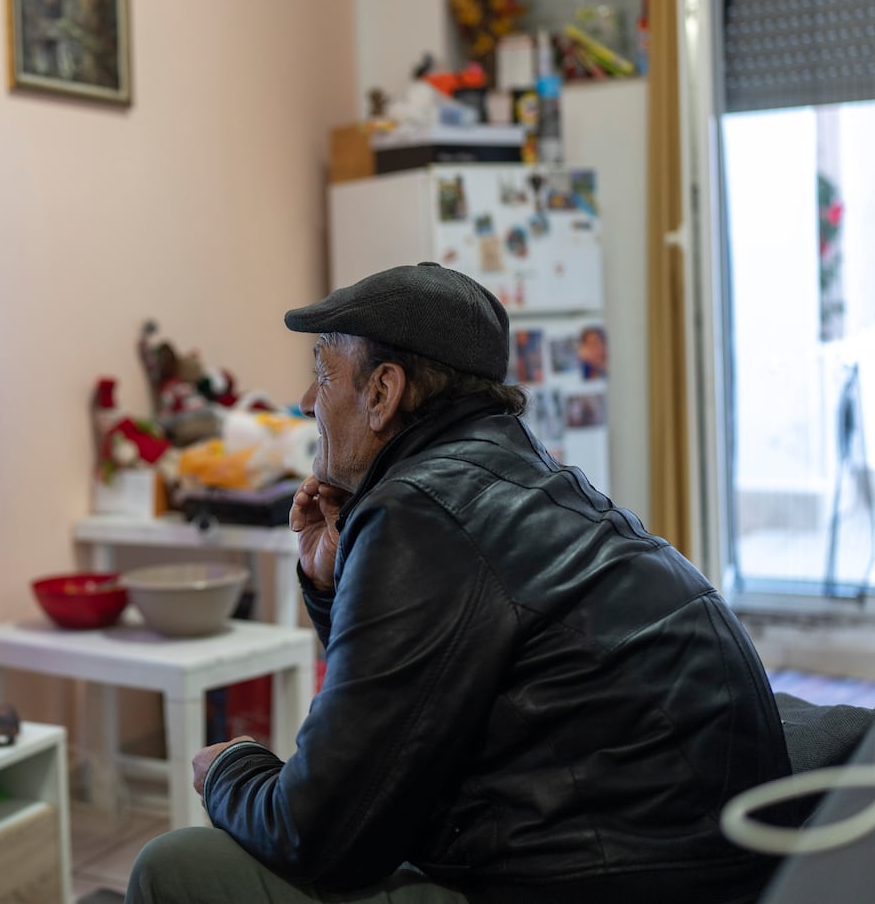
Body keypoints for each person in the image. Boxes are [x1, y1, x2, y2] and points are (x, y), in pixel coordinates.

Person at [127, 263, 791, 903]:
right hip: (695, 861)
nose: (306, 403)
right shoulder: (523, 477)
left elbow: (318, 828)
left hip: (609, 877)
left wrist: (231, 768)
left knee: (176, 866)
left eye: (322, 373)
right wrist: (331, 582)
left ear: (383, 392)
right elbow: (403, 717)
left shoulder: (417, 510)